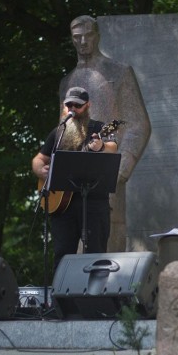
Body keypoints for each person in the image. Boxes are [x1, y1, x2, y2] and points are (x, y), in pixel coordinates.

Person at [60, 15, 151, 252]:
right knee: (72, 251)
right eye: (76, 37)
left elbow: (138, 123)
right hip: (70, 183)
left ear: (97, 35)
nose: (82, 42)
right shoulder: (66, 82)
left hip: (105, 173)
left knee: (106, 247)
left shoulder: (118, 72)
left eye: (87, 35)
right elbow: (62, 131)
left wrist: (123, 165)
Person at [32, 87, 118, 270]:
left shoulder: (99, 127)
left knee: (95, 255)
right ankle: (61, 298)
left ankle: (93, 297)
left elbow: (112, 148)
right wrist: (41, 171)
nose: (72, 109)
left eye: (77, 105)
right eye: (69, 105)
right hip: (62, 208)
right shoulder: (58, 132)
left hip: (93, 204)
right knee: (62, 256)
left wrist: (100, 146)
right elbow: (38, 159)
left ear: (87, 106)